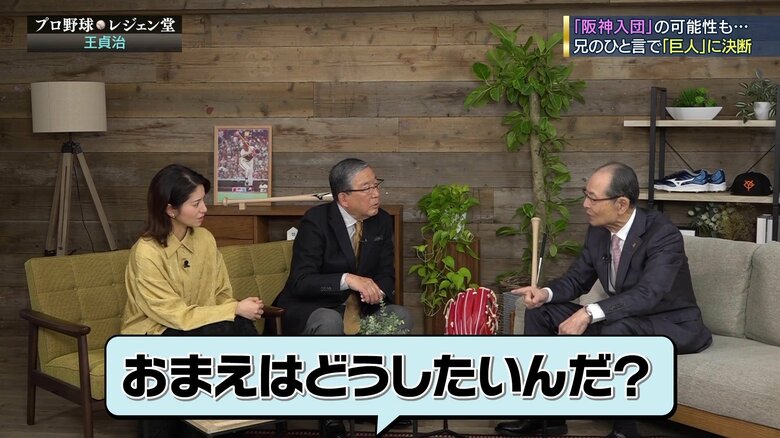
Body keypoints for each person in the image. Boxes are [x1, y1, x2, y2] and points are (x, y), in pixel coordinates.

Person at [495, 162, 712, 438]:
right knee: (541, 311)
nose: (585, 204)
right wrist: (544, 294)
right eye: (585, 195)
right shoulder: (598, 230)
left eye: (593, 198)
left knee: (617, 328)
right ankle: (545, 416)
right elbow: (577, 280)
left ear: (621, 204)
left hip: (673, 325)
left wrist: (588, 313)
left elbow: (649, 294)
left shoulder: (662, 234)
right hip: (624, 318)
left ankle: (624, 431)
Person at [122, 164, 264, 437]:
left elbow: (221, 292)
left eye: (203, 201)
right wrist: (233, 309)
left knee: (239, 327)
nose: (204, 209)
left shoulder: (205, 239)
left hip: (201, 325)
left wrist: (235, 310)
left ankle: (233, 424)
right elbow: (174, 315)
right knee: (216, 333)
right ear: (170, 209)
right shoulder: (146, 252)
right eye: (196, 204)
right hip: (156, 331)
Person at [274, 158, 413, 438]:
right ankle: (331, 413)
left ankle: (374, 403)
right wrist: (348, 279)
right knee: (329, 321)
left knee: (399, 316)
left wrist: (377, 291)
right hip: (313, 308)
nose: (376, 193)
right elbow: (301, 281)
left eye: (376, 185)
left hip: (360, 308)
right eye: (367, 188)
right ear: (344, 198)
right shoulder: (316, 221)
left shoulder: (381, 221)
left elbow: (386, 274)